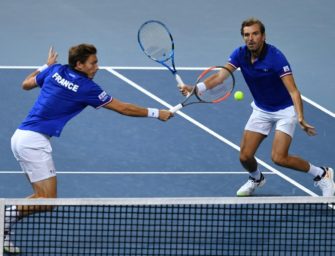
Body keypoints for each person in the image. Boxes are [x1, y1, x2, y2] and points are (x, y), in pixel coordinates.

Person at [4, 44, 173, 253]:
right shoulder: (87, 88)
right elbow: (122, 108)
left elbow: (26, 84)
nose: (97, 67)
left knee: (41, 197)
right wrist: (157, 113)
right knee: (46, 201)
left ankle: (3, 222)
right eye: (93, 63)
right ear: (80, 65)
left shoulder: (55, 70)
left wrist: (44, 66)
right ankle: (3, 216)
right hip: (33, 142)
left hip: (22, 137)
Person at [180, 18, 334, 197]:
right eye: (246, 35)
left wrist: (300, 117)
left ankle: (322, 174)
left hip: (285, 110)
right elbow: (219, 77)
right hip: (262, 109)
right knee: (245, 157)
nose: (250, 38)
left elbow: (294, 91)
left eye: (255, 34)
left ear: (263, 36)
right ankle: (256, 178)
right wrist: (195, 88)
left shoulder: (276, 58)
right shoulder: (240, 54)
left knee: (279, 158)